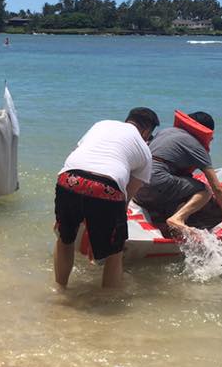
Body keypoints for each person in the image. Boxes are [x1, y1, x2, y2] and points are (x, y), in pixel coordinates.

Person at [54, 108, 158, 289]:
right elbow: (126, 198)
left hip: (68, 179)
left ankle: (60, 289)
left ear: (128, 119)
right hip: (107, 187)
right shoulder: (145, 150)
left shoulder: (101, 125)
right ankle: (107, 304)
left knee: (65, 240)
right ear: (147, 132)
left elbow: (83, 155)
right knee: (114, 253)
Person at [134, 111, 222, 239]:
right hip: (158, 182)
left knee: (181, 188)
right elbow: (217, 188)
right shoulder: (196, 146)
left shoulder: (165, 132)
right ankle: (177, 219)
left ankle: (166, 223)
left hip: (137, 186)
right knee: (205, 190)